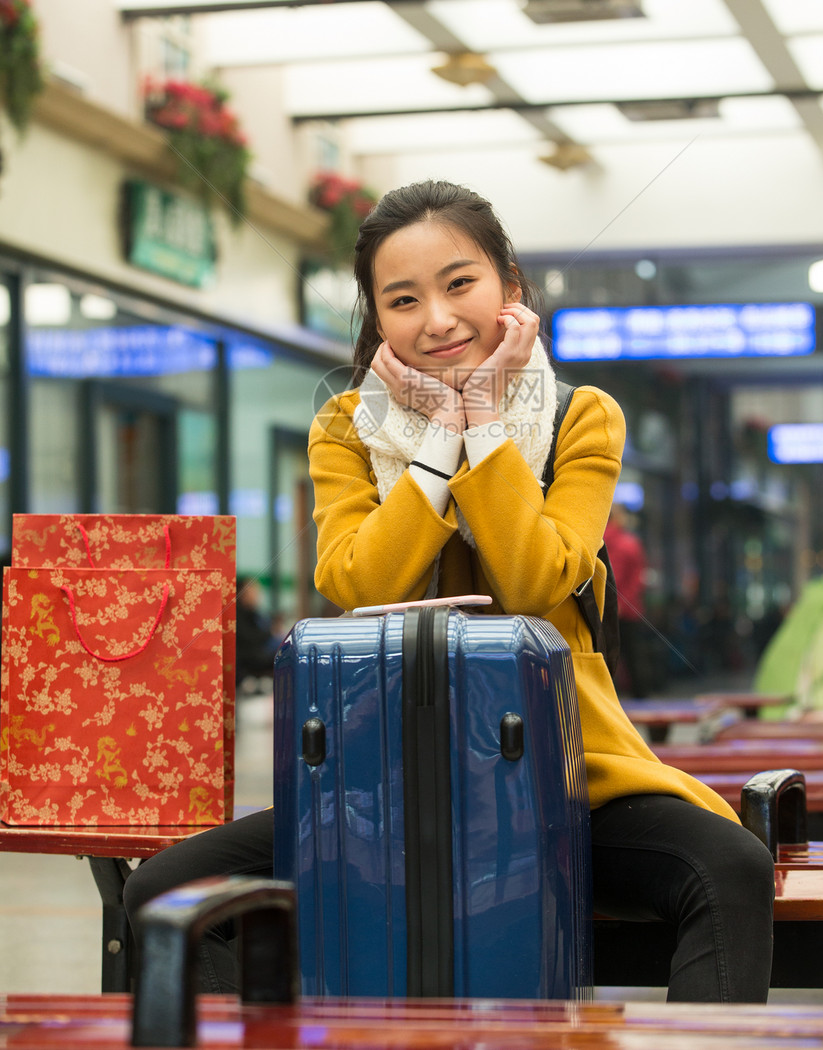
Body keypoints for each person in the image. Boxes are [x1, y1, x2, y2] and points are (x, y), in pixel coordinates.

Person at [124, 180, 774, 1001]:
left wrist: (489, 427)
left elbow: (536, 579)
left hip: (567, 780)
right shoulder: (344, 427)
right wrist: (440, 445)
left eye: (459, 283)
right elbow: (360, 581)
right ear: (376, 319)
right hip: (375, 779)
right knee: (164, 894)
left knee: (729, 871)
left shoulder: (582, 419)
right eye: (403, 299)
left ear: (511, 287)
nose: (436, 319)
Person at [602, 503, 652, 698]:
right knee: (633, 657)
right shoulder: (630, 543)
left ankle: (608, 700)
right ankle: (640, 698)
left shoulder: (598, 541)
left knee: (605, 657)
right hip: (628, 611)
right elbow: (637, 579)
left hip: (604, 610)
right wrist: (624, 603)